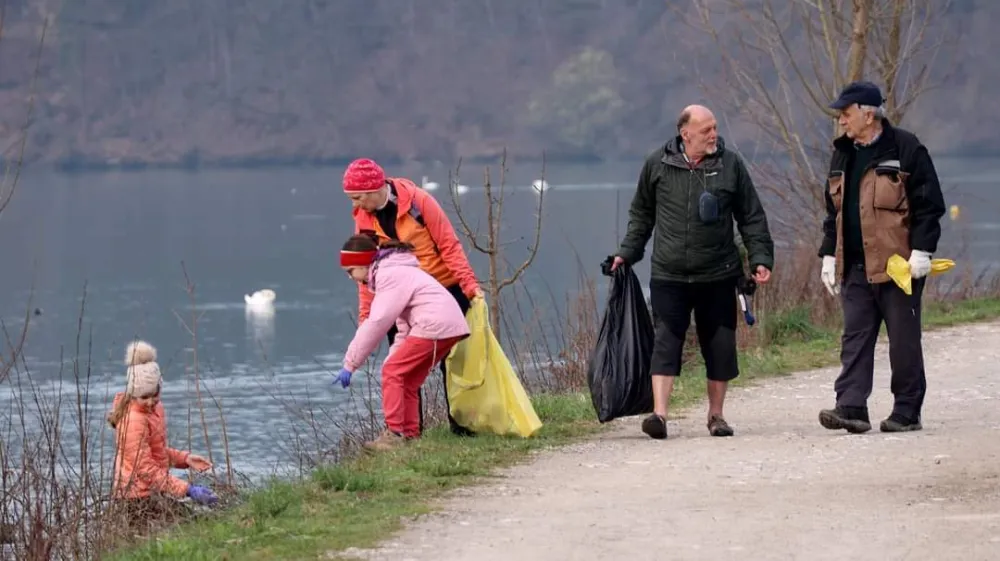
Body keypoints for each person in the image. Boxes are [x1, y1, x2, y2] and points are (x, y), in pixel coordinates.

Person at [611, 104, 775, 440]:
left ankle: (716, 416)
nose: (714, 135)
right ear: (685, 134)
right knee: (665, 342)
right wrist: (627, 254)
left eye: (714, 128)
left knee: (720, 345)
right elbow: (641, 215)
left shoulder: (730, 165)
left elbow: (751, 216)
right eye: (706, 130)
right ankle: (659, 415)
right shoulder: (658, 164)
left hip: (718, 273)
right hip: (669, 274)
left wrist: (760, 258)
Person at [817, 81, 946, 434]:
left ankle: (906, 411)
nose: (842, 121)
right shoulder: (842, 153)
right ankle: (852, 407)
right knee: (855, 338)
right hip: (855, 267)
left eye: (846, 113)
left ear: (868, 113)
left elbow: (929, 205)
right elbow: (834, 212)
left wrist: (923, 250)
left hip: (899, 267)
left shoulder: (906, 148)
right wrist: (828, 255)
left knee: (903, 341)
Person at [342, 157, 481, 436]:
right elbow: (365, 270)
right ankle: (407, 434)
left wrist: (469, 286)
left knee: (452, 361)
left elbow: (448, 244)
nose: (354, 205)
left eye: (357, 197)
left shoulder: (419, 202)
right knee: (402, 367)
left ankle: (461, 424)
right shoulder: (363, 217)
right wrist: (366, 316)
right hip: (398, 294)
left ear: (373, 189)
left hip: (442, 286)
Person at [333, 235, 471, 452]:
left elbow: (377, 322)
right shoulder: (395, 272)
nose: (350, 277)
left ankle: (394, 434)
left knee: (392, 372)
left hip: (434, 324)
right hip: (447, 325)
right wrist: (393, 357)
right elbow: (403, 328)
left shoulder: (389, 275)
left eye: (350, 271)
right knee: (406, 379)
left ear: (363, 263)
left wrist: (350, 363)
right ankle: (410, 436)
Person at [107, 341, 218, 528]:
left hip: (153, 491)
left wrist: (185, 459)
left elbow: (156, 452)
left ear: (159, 387)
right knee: (192, 526)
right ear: (133, 395)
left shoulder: (155, 410)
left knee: (196, 524)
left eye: (154, 394)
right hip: (134, 500)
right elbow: (145, 469)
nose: (150, 401)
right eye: (144, 397)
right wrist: (187, 489)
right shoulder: (132, 420)